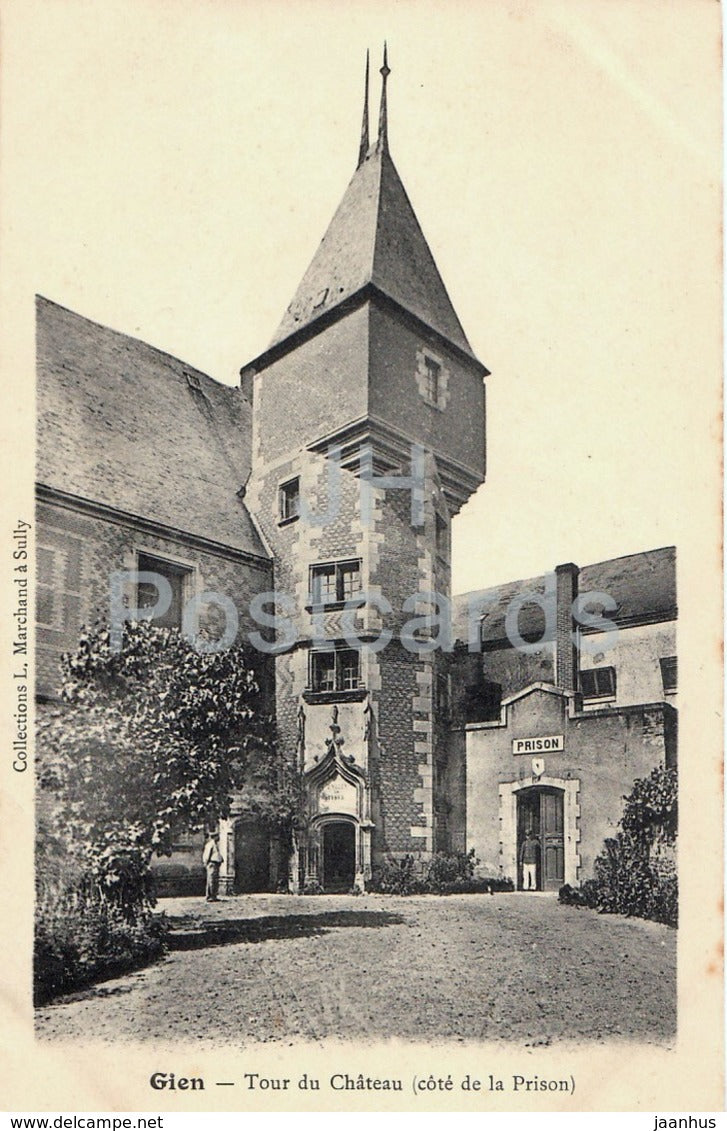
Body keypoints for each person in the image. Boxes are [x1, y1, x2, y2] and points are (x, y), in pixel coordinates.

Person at [202, 831, 223, 902]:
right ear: (214, 837)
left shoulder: (215, 844)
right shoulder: (210, 844)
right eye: (217, 836)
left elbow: (217, 854)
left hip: (216, 864)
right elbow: (207, 855)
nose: (219, 838)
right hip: (212, 864)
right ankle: (210, 896)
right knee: (211, 880)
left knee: (214, 880)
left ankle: (214, 896)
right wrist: (206, 863)